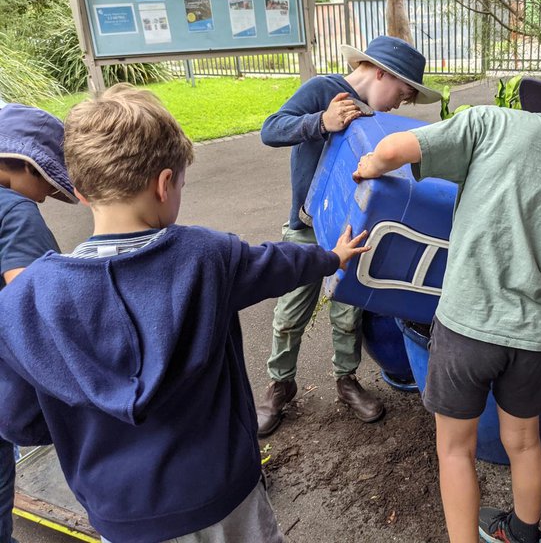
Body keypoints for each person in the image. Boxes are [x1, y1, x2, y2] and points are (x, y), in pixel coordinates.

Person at [0, 84, 370, 543]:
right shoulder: (207, 258)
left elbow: (21, 422)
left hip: (121, 515)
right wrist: (332, 257)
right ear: (164, 183)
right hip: (223, 492)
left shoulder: (23, 300)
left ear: (78, 191)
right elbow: (279, 263)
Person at [353, 55, 541, 543]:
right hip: (533, 338)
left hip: (466, 326)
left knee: (455, 449)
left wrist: (372, 164)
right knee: (525, 442)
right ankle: (524, 533)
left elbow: (398, 147)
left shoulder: (491, 123)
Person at [258, 36, 441, 435]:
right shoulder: (324, 90)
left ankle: (346, 380)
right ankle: (280, 385)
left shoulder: (377, 116)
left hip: (353, 230)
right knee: (292, 311)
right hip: (307, 229)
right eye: (403, 92)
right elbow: (270, 130)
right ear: (381, 72)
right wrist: (320, 122)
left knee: (348, 312)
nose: (400, 103)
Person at [0, 102, 78, 543]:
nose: (48, 194)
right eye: (47, 182)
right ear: (23, 163)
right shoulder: (15, 211)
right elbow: (31, 303)